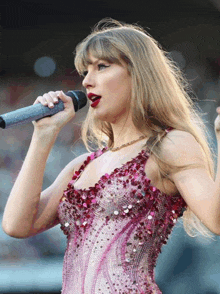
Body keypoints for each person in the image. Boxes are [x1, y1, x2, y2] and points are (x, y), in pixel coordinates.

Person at [2, 18, 220, 294]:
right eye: (85, 70)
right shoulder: (80, 166)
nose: (86, 80)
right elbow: (16, 225)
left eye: (102, 67)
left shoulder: (170, 145)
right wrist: (43, 135)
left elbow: (216, 219)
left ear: (139, 74)